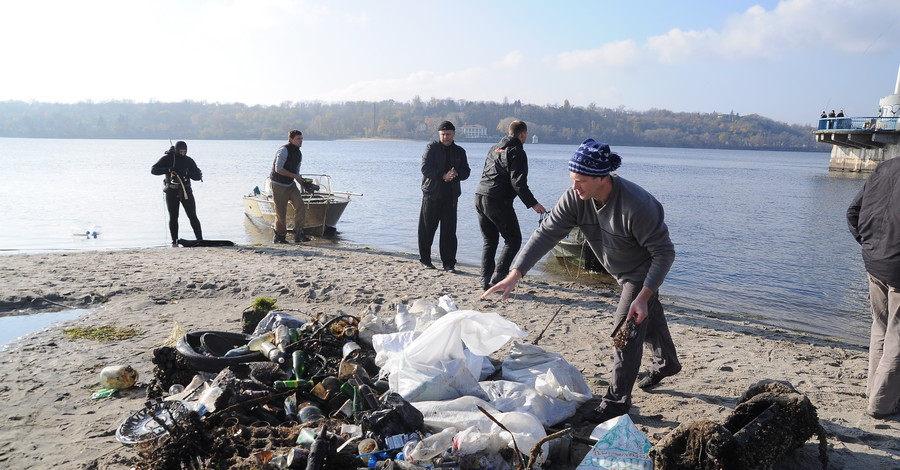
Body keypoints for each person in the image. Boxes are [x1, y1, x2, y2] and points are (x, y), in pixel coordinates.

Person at [482, 138, 681, 424]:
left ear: (602, 177)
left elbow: (664, 253)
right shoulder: (577, 197)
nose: (574, 187)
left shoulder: (638, 205)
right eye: (572, 179)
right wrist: (516, 273)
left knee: (625, 331)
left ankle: (616, 403)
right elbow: (546, 234)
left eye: (581, 181)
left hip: (642, 270)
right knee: (647, 315)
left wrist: (643, 294)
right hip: (619, 269)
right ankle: (667, 363)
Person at [847, 157, 900, 419]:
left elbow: (852, 212)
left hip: (875, 261)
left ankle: (874, 391)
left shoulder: (885, 167)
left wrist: (868, 244)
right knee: (897, 337)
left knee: (880, 327)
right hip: (896, 265)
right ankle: (881, 404)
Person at [474, 120, 546, 290]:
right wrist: (534, 204)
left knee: (489, 240)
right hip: (497, 200)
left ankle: (485, 280)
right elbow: (518, 183)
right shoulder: (517, 151)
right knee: (514, 239)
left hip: (479, 195)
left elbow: (487, 173)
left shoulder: (493, 149)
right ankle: (498, 277)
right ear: (523, 134)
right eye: (526, 135)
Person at [418, 120, 471, 272]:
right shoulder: (431, 148)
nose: (445, 137)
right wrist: (442, 176)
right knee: (427, 229)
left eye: (448, 134)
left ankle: (449, 263)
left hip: (451, 197)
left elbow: (466, 171)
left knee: (449, 232)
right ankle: (425, 260)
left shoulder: (460, 151)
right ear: (439, 135)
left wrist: (457, 174)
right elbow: (425, 168)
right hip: (432, 194)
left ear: (454, 134)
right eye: (443, 135)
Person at [151, 141, 203, 246]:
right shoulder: (167, 159)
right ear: (176, 150)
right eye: (181, 151)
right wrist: (168, 169)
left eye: (184, 151)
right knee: (174, 216)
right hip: (171, 191)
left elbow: (198, 176)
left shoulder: (189, 161)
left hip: (186, 191)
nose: (183, 153)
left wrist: (187, 173)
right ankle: (174, 241)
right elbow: (153, 170)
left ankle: (200, 239)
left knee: (192, 215)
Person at [270, 129, 310, 244]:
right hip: (278, 184)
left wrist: (303, 182)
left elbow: (296, 172)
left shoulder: (299, 153)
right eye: (298, 139)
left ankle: (298, 233)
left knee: (301, 206)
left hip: (290, 184)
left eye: (301, 138)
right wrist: (295, 176)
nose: (300, 141)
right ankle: (280, 236)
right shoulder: (284, 150)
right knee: (281, 213)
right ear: (291, 139)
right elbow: (278, 169)